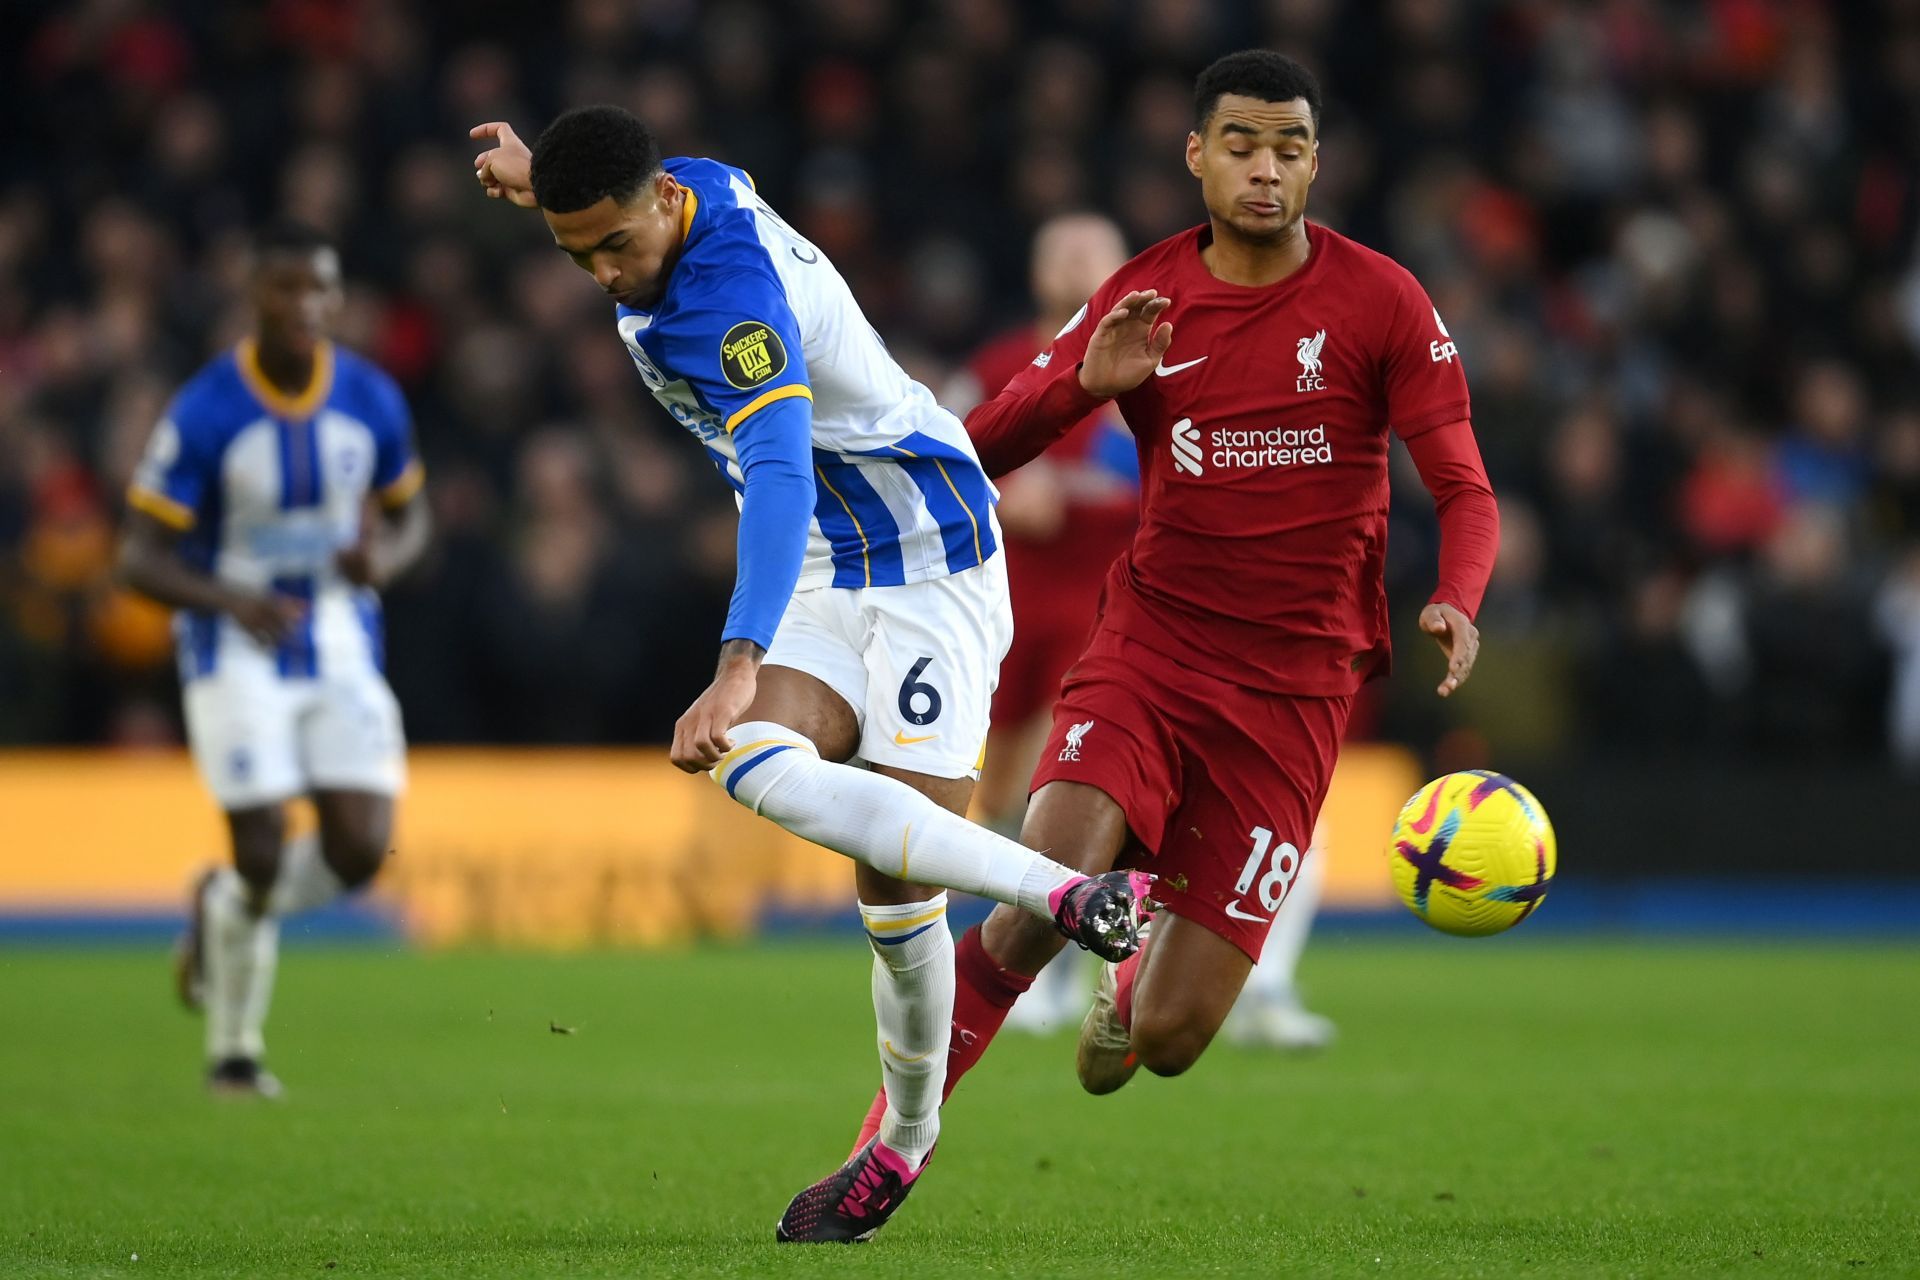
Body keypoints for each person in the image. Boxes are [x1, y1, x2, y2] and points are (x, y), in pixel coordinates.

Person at [468, 106, 1146, 1243]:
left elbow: (777, 469)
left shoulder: (725, 306)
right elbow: (614, 199)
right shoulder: (678, 188)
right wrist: (544, 179)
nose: (602, 272)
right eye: (575, 251)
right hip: (832, 567)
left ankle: (906, 1130)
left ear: (663, 209)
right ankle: (1060, 901)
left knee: (895, 885)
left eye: (614, 248)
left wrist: (737, 660)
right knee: (772, 775)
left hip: (933, 555)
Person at [853, 49, 1499, 1157]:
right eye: (1241, 145)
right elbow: (988, 441)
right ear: (1197, 155)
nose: (1266, 169)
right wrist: (1086, 388)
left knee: (1169, 1037)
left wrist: (1458, 593)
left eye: (1290, 148)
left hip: (1295, 690)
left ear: (1314, 164)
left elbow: (1462, 482)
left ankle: (1130, 984)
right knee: (1036, 897)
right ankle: (888, 1145)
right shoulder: (1146, 296)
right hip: (1148, 648)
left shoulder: (1381, 298)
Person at [118, 222, 432, 1098]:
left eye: (318, 290)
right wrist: (229, 601)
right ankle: (235, 1055)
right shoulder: (207, 409)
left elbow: (413, 516)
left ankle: (217, 904)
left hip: (337, 633)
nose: (304, 306)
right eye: (284, 289)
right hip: (233, 637)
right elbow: (135, 558)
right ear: (253, 297)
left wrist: (388, 560)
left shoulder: (369, 398)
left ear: (336, 299)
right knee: (262, 848)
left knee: (362, 849)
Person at [945, 214, 1140, 1035]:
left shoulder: (1143, 358)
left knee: (1057, 784)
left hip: (1102, 606)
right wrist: (998, 494)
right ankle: (1010, 949)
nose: (1074, 261)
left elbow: (1154, 466)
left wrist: (1061, 492)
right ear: (1034, 269)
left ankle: (1058, 967)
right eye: (1059, 248)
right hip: (998, 605)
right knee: (995, 788)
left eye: (1091, 249)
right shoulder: (994, 365)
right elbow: (939, 448)